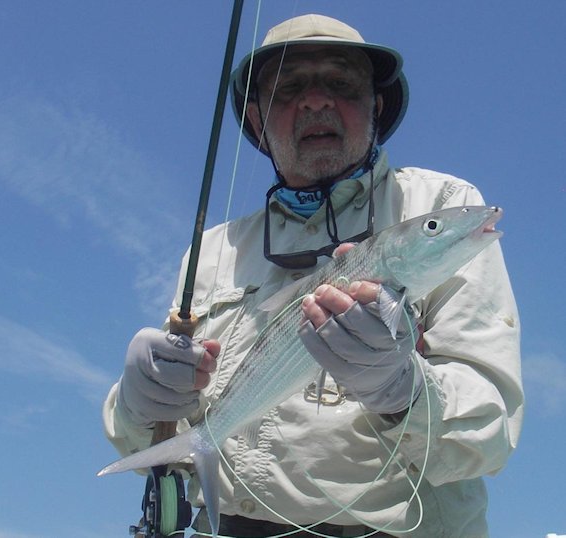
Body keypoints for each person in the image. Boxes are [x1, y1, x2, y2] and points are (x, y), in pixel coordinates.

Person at [102, 14, 523, 538]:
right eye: (290, 87)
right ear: (257, 121)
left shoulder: (441, 204)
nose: (316, 101)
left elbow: (490, 434)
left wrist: (402, 390)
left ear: (376, 105)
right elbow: (154, 446)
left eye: (341, 83)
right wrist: (137, 406)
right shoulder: (210, 251)